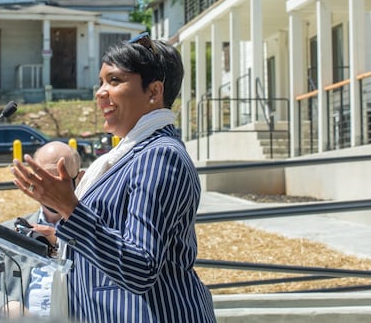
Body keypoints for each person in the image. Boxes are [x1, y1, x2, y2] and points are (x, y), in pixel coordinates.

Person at [11, 32, 217, 322]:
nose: (100, 93)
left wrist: (70, 208)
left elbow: (140, 268)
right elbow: (118, 238)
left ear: (154, 92)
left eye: (115, 80)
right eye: (100, 83)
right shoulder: (127, 156)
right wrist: (61, 238)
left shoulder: (159, 156)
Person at [0, 140, 83, 321]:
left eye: (59, 178)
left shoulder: (94, 232)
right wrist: (7, 308)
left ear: (79, 179)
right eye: (43, 179)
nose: (51, 189)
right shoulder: (12, 232)